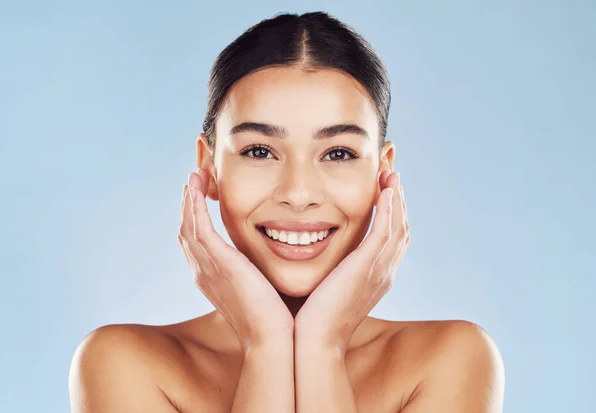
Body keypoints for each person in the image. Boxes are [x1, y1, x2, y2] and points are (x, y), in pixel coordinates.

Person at [69, 11, 505, 413]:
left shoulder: (451, 358)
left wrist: (321, 345)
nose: (298, 194)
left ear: (382, 173)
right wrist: (266, 343)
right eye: (260, 150)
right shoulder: (122, 363)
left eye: (338, 153)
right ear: (209, 166)